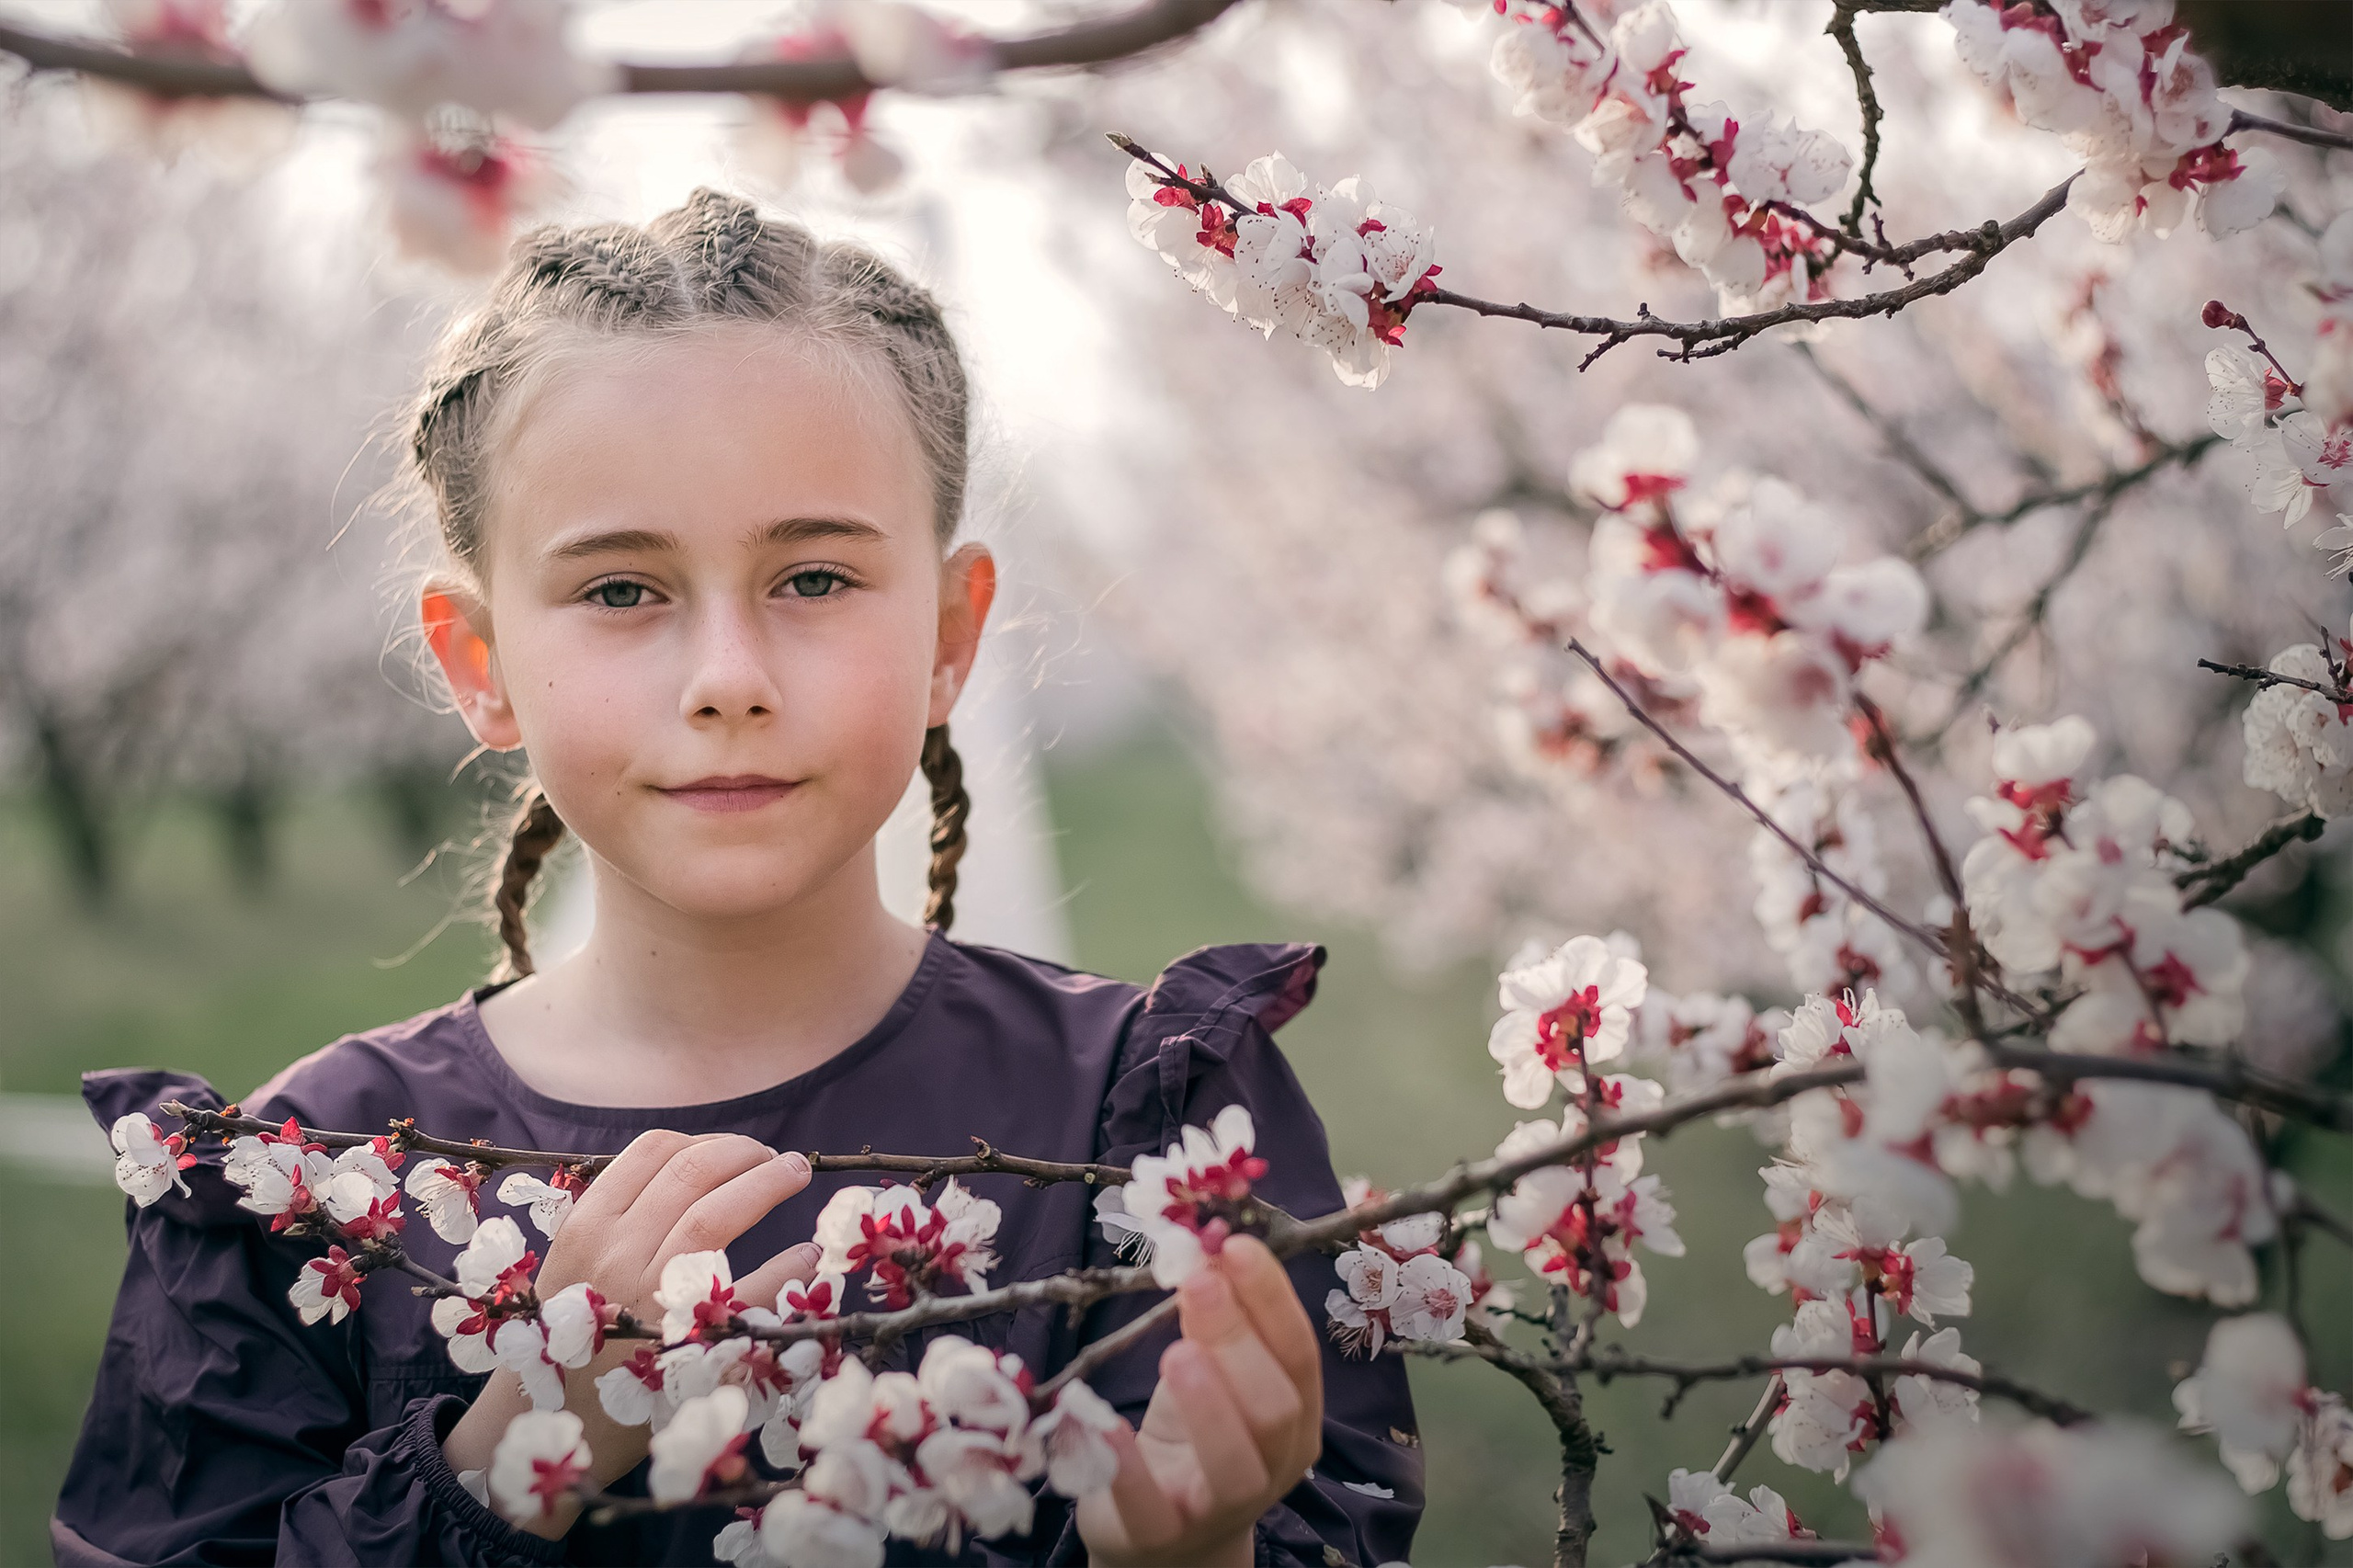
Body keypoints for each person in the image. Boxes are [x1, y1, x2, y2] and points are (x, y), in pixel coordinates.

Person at [53, 188, 1420, 1568]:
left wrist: (1191, 1556)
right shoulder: (311, 1182)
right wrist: (519, 1443)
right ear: (481, 665)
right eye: (621, 591)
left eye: (814, 579)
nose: (728, 679)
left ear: (952, 635)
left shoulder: (1149, 1123)